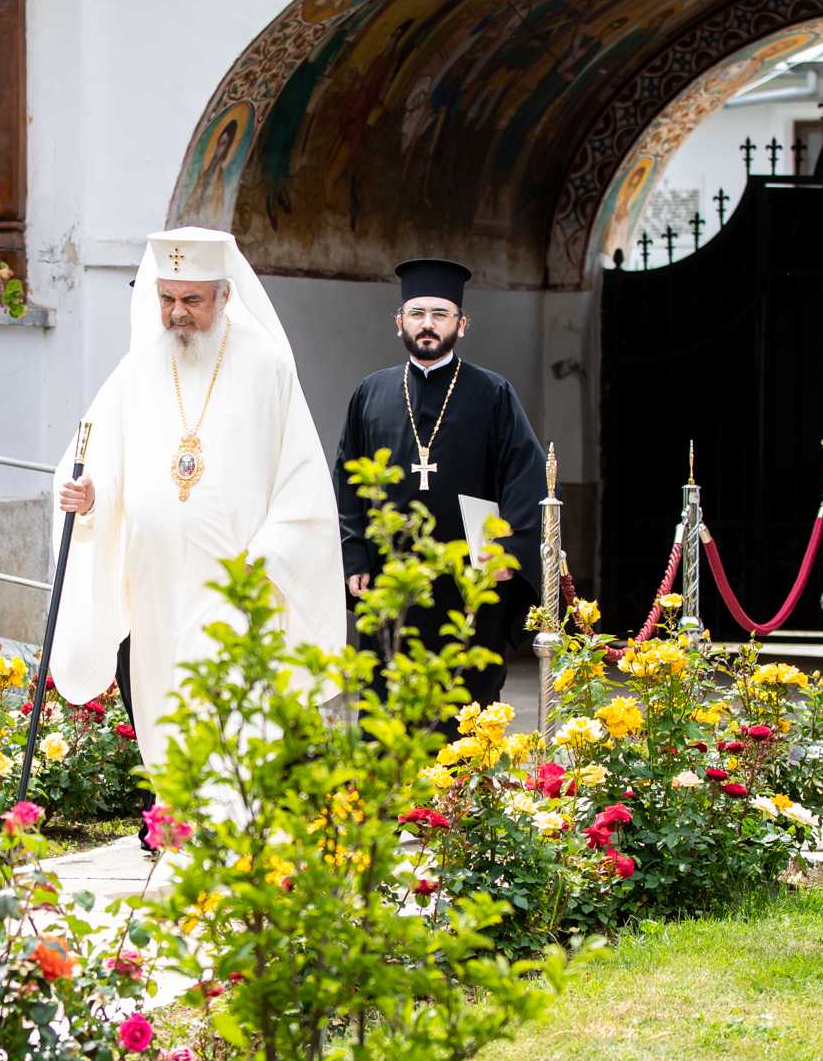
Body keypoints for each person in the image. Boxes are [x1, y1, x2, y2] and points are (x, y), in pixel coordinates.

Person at [50, 227, 347, 819]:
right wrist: (90, 498)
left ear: (225, 295)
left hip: (238, 582)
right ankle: (180, 829)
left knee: (234, 715)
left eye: (192, 300)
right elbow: (101, 460)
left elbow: (304, 486)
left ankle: (235, 840)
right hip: (157, 582)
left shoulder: (267, 368)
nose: (177, 314)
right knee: (164, 704)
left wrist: (264, 558)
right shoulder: (139, 368)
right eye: (167, 298)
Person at [332, 257, 546, 707]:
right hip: (392, 579)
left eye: (440, 314)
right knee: (385, 700)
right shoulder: (371, 393)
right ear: (399, 323)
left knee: (468, 703)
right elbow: (347, 479)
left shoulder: (493, 394)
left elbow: (525, 478)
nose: (427, 325)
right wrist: (354, 557)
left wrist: (509, 552)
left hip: (468, 579)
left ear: (461, 324)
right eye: (417, 313)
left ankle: (467, 780)